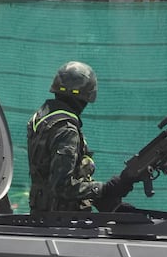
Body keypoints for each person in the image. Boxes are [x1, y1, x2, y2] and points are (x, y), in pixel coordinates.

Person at [25, 61, 135, 217]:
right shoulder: (66, 129)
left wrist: (107, 203)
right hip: (63, 222)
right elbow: (62, 186)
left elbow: (49, 173)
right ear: (86, 96)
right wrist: (105, 189)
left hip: (45, 215)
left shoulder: (42, 118)